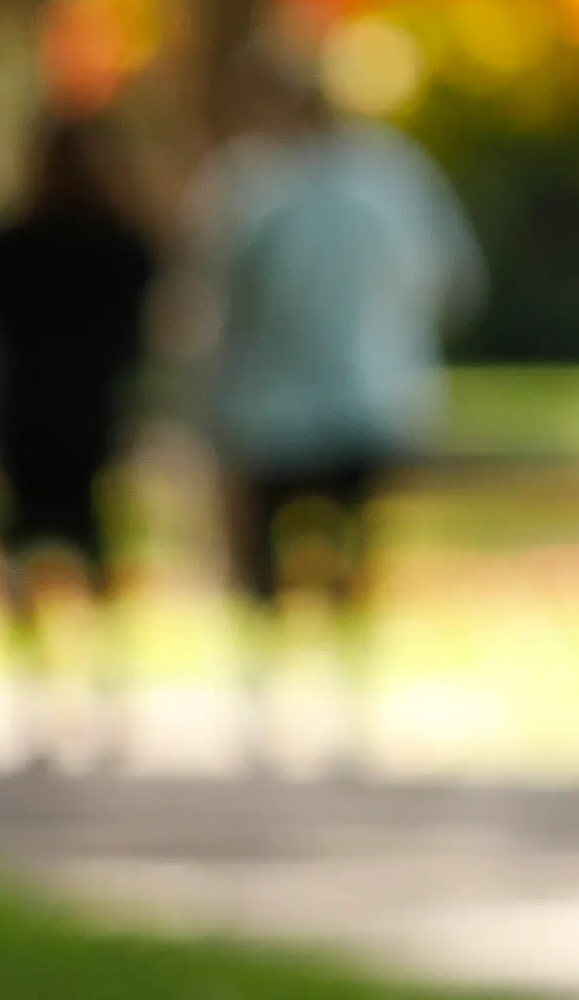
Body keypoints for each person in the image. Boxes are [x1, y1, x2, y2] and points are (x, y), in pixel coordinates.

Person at [188, 50, 479, 775]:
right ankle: (350, 706)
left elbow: (210, 308)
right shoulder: (395, 179)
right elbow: (451, 280)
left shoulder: (247, 185)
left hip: (268, 407)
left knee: (266, 565)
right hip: (370, 398)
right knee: (353, 557)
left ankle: (263, 708)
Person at [0, 114, 165, 773]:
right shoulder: (118, 247)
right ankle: (106, 705)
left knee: (25, 565)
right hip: (92, 422)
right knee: (95, 565)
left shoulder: (13, 247)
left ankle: (38, 709)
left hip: (27, 421)